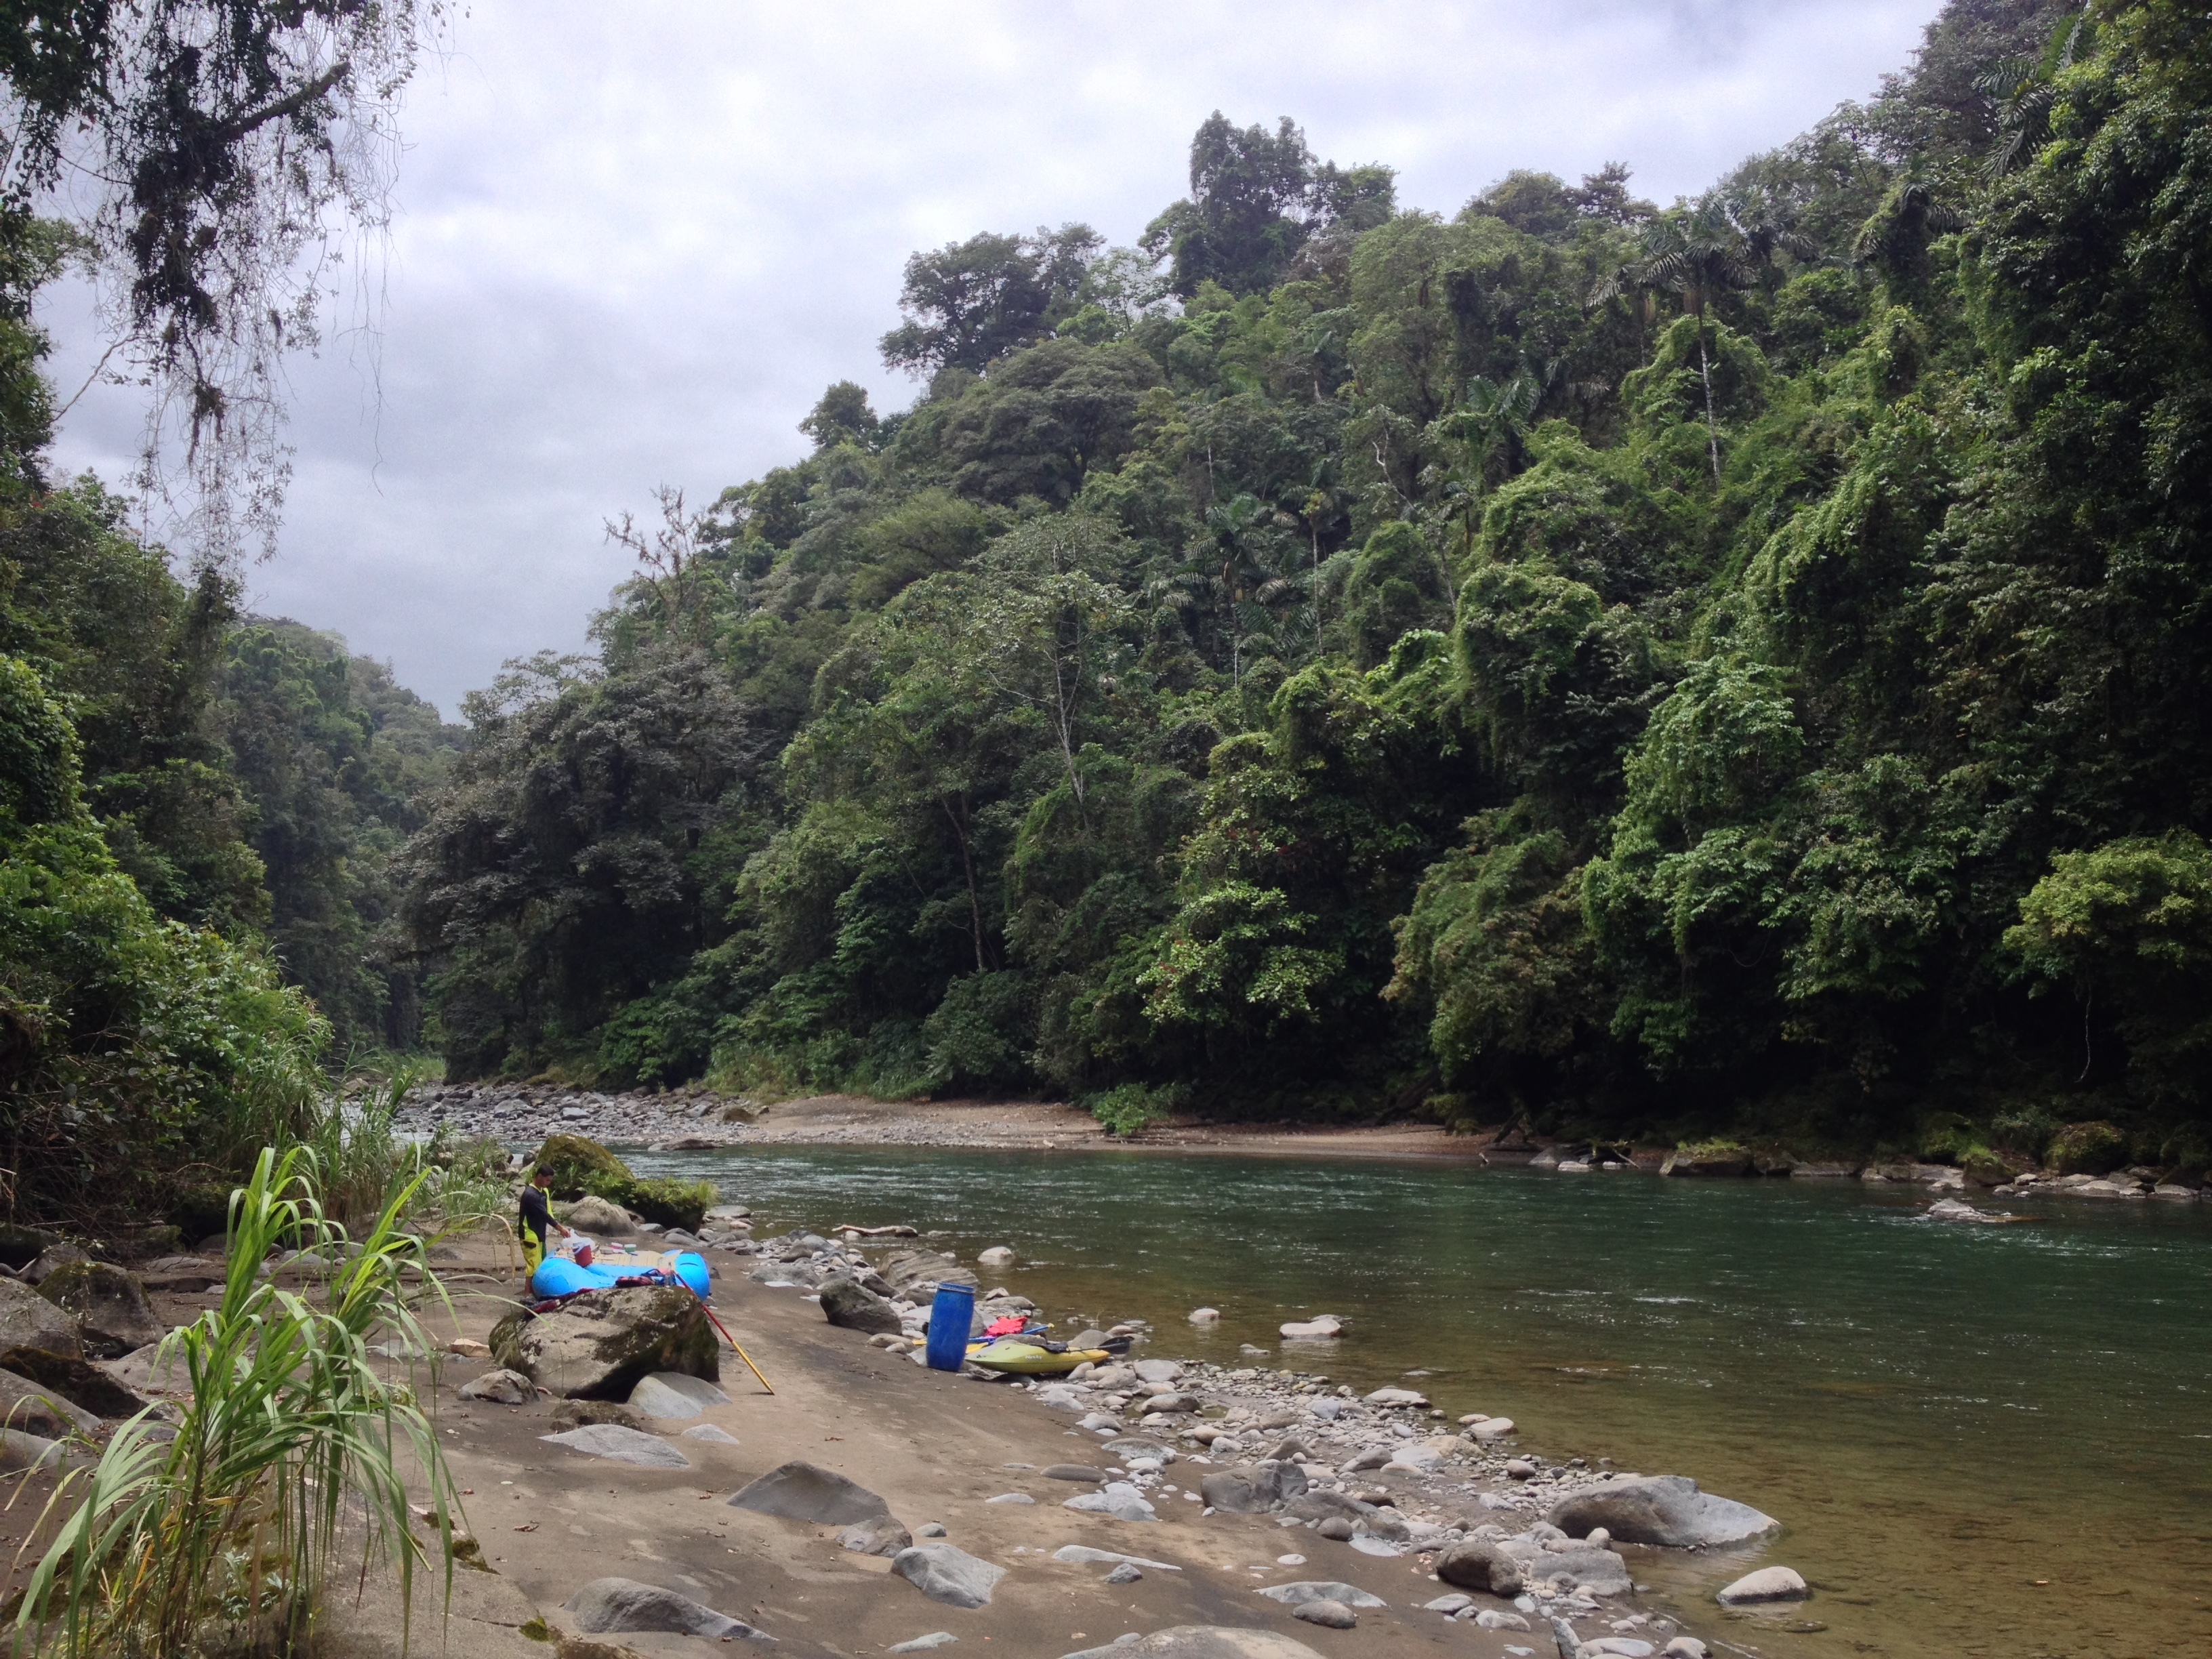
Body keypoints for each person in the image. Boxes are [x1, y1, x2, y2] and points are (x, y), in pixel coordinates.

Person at [518, 1164, 577, 1275]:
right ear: (539, 1176)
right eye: (547, 1180)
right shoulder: (530, 1194)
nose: (549, 1183)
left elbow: (549, 1212)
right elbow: (544, 1214)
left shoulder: (544, 1192)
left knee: (541, 1264)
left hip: (540, 1232)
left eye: (550, 1180)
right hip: (529, 1233)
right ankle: (527, 1292)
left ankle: (534, 1291)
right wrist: (560, 1228)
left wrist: (559, 1228)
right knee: (533, 1267)